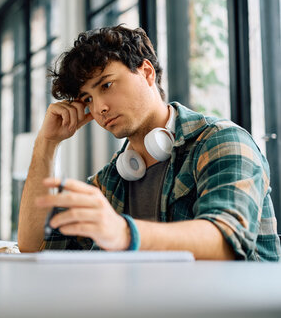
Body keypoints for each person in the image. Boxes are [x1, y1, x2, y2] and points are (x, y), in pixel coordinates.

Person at [17, 25, 281, 261]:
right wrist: (47, 143)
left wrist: (123, 233)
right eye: (87, 99)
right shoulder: (111, 180)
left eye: (106, 85)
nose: (100, 108)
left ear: (146, 72)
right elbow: (35, 247)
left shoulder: (222, 141)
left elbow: (226, 241)